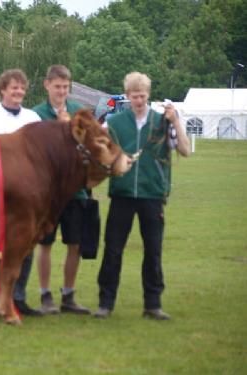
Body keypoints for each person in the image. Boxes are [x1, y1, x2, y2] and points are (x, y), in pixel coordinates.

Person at [94, 71, 191, 320]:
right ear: (127, 96)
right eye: (135, 96)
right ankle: (105, 303)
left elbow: (185, 150)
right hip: (122, 193)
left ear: (149, 95)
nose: (139, 100)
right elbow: (96, 151)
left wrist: (176, 121)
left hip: (152, 194)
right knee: (113, 249)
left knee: (153, 250)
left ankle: (153, 304)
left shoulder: (162, 122)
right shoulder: (113, 124)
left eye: (143, 96)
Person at [0, 68, 42, 316]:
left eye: (22, 87)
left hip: (25, 197)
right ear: (3, 90)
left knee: (25, 246)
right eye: (14, 87)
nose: (19, 92)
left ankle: (18, 297)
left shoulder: (33, 118)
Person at [32, 65, 91, 315]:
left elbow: (91, 149)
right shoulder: (36, 115)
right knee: (44, 244)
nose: (61, 92)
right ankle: (45, 294)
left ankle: (68, 295)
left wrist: (72, 129)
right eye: (57, 87)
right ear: (47, 85)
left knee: (75, 244)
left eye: (66, 87)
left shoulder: (80, 112)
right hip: (48, 193)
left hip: (75, 190)